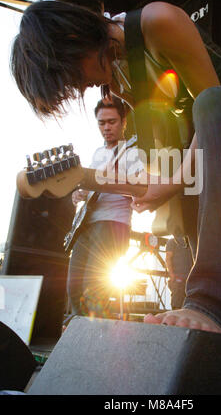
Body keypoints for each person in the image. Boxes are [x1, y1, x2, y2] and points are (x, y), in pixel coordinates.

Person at [10, 0, 221, 338]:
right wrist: (146, 183)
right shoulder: (119, 79)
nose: (79, 88)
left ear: (72, 37)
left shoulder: (157, 21)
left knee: (214, 102)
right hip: (199, 157)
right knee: (188, 242)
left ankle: (213, 303)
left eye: (71, 76)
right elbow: (166, 147)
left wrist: (174, 180)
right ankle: (215, 327)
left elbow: (212, 109)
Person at [67, 95, 144, 317]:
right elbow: (92, 187)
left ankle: (98, 343)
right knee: (73, 287)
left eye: (112, 122)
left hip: (113, 225)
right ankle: (81, 340)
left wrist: (108, 180)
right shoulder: (97, 153)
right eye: (102, 123)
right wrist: (80, 193)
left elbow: (141, 187)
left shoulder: (133, 152)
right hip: (88, 225)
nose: (107, 127)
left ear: (123, 122)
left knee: (94, 290)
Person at [165, 236, 194, 310]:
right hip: (178, 280)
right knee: (177, 305)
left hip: (190, 280)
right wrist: (172, 275)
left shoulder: (191, 242)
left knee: (189, 306)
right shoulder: (172, 242)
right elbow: (168, 258)